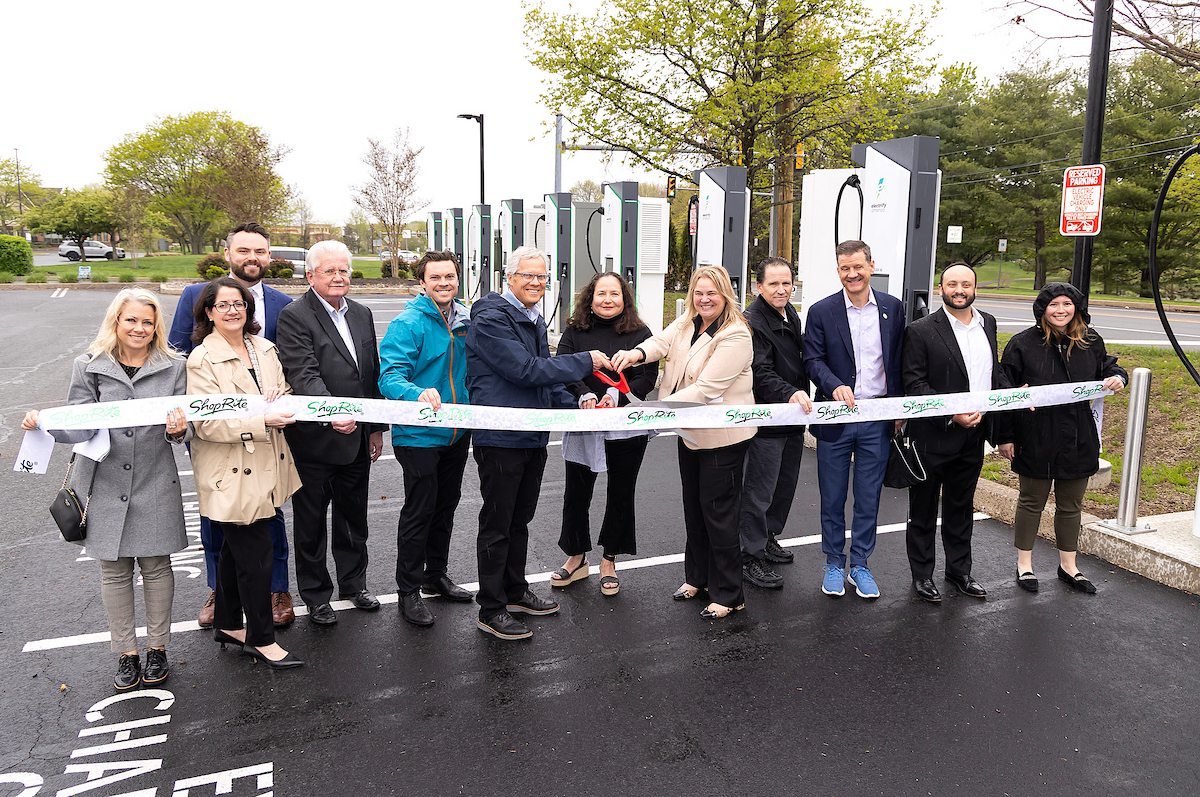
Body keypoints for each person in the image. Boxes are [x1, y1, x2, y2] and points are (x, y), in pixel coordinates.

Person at [23, 289, 190, 691]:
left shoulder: (174, 367)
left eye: (147, 322)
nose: (139, 328)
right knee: (114, 572)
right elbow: (79, 423)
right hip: (101, 481)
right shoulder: (89, 365)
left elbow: (188, 425)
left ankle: (157, 649)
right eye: (131, 320)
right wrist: (44, 422)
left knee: (155, 567)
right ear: (116, 321)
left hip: (153, 477)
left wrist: (179, 430)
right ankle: (126, 653)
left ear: (156, 327)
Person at [465, 246, 612, 640]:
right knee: (497, 524)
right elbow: (524, 370)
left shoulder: (530, 317)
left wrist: (579, 402)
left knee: (519, 519)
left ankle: (514, 592)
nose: (535, 283)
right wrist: (587, 362)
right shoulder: (492, 318)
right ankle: (491, 608)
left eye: (542, 277)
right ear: (508, 277)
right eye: (527, 275)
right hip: (500, 436)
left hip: (532, 435)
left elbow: (544, 383)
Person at [168, 222, 296, 629]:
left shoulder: (282, 303)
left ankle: (276, 587)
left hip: (269, 434)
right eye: (244, 251)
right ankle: (218, 591)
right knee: (218, 514)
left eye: (260, 251)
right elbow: (174, 356)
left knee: (269, 513)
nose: (252, 258)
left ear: (269, 256)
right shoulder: (194, 297)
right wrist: (185, 419)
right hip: (218, 431)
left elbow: (284, 369)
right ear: (228, 254)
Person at [613, 265, 756, 619]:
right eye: (699, 292)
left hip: (722, 437)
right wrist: (636, 354)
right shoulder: (689, 322)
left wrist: (659, 410)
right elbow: (661, 342)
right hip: (690, 431)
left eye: (712, 293)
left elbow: (708, 388)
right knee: (695, 508)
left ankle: (729, 594)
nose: (704, 299)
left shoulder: (735, 334)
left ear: (726, 294)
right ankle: (698, 578)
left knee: (719, 514)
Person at [187, 277, 303, 668]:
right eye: (223, 305)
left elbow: (283, 389)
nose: (233, 311)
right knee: (256, 556)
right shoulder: (202, 359)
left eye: (239, 304)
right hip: (231, 470)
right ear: (209, 312)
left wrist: (281, 400)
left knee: (238, 554)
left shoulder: (264, 348)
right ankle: (261, 638)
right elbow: (205, 423)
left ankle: (227, 623)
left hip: (267, 463)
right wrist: (262, 418)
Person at [276, 240, 386, 626]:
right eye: (329, 271)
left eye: (344, 270)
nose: (339, 277)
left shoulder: (362, 312)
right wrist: (333, 413)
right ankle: (316, 595)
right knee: (310, 523)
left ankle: (354, 584)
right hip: (316, 442)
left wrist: (375, 428)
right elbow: (303, 374)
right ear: (310, 276)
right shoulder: (294, 316)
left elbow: (368, 374)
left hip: (357, 438)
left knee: (354, 518)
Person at [997, 282, 1126, 594]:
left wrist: (1118, 377)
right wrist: (1005, 436)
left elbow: (1109, 365)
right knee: (1031, 502)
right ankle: (1024, 565)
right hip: (1034, 435)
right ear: (1043, 309)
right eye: (1054, 305)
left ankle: (1069, 565)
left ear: (1077, 308)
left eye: (1067, 304)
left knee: (1072, 504)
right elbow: (1002, 389)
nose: (1061, 311)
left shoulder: (1090, 341)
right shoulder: (1022, 343)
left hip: (1078, 436)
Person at [804, 240, 905, 600]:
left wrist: (895, 409)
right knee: (831, 497)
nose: (852, 274)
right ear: (838, 271)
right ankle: (834, 563)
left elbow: (897, 362)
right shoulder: (821, 311)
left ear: (871, 265)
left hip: (877, 417)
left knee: (868, 496)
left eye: (858, 267)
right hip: (837, 417)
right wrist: (833, 386)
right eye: (845, 268)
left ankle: (860, 564)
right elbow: (813, 360)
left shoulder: (893, 308)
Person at [901, 264, 1008, 603]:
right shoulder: (920, 330)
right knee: (923, 511)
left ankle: (960, 572)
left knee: (961, 509)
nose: (959, 289)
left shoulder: (987, 323)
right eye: (952, 284)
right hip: (933, 435)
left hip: (973, 436)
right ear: (941, 288)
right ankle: (922, 576)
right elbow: (914, 385)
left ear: (975, 288)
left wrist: (1016, 393)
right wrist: (952, 413)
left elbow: (992, 373)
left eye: (966, 284)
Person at [379, 251, 474, 627]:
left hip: (456, 430)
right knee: (420, 509)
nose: (444, 283)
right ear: (422, 283)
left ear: (457, 279)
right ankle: (408, 590)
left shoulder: (466, 318)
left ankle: (435, 575)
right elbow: (389, 377)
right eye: (435, 278)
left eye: (449, 276)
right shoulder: (408, 323)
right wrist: (415, 392)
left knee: (446, 505)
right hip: (418, 435)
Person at [551, 271, 658, 596]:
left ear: (624, 298)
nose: (608, 299)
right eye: (601, 294)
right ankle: (576, 556)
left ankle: (609, 559)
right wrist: (584, 394)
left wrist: (618, 397)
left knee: (621, 493)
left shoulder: (640, 332)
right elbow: (564, 366)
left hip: (625, 427)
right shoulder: (575, 330)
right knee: (576, 493)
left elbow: (647, 374)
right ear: (590, 298)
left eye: (615, 294)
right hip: (585, 423)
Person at [737, 257, 812, 590]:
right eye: (774, 284)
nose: (782, 289)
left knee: (783, 488)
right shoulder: (753, 321)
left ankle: (767, 537)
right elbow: (760, 373)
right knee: (758, 491)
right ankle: (748, 556)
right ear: (759, 286)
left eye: (787, 283)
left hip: (792, 418)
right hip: (768, 419)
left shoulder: (789, 313)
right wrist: (792, 392)